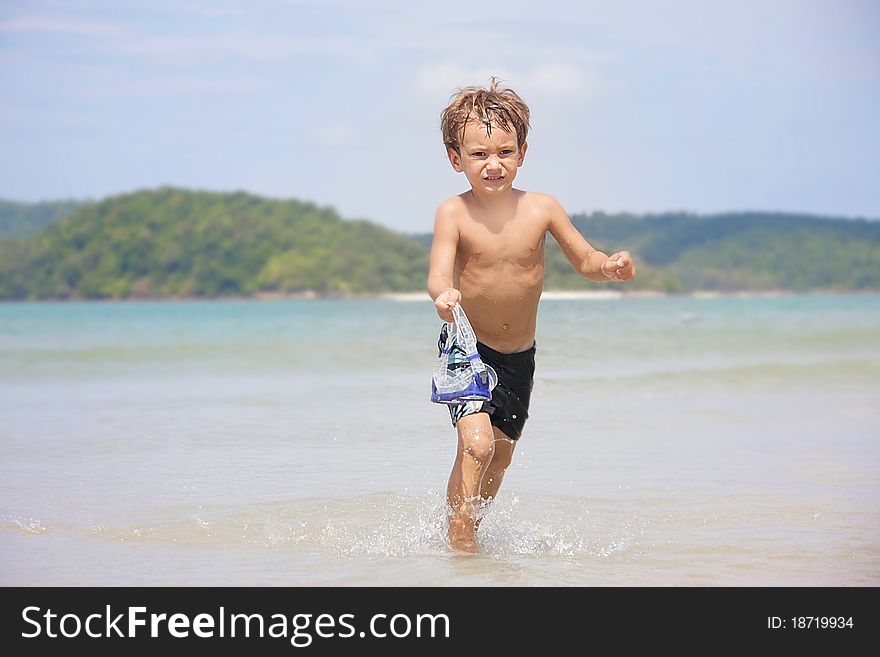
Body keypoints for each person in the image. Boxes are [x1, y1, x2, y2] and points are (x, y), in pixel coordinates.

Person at [428, 77, 636, 552]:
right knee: (476, 445)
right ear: (455, 158)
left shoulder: (542, 209)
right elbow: (439, 273)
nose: (493, 163)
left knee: (498, 459)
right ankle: (459, 537)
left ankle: (468, 530)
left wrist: (608, 266)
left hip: (519, 357)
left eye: (504, 150)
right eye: (479, 154)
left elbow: (585, 260)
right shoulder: (453, 214)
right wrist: (443, 296)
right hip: (467, 347)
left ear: (522, 151)